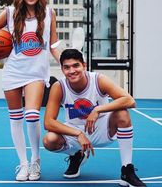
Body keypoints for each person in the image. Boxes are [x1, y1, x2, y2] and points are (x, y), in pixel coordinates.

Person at [0, 0, 60, 181]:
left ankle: (35, 160)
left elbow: (53, 45)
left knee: (32, 115)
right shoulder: (9, 13)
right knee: (15, 118)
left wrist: (66, 62)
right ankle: (23, 164)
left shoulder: (49, 13)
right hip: (14, 71)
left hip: (36, 73)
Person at [43, 49, 146, 187]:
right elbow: (48, 122)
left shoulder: (98, 80)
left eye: (76, 65)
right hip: (75, 131)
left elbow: (129, 100)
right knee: (49, 140)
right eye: (67, 67)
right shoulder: (59, 87)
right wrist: (78, 133)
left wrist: (97, 109)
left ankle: (127, 170)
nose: (72, 71)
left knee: (122, 113)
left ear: (84, 65)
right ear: (62, 69)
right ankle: (76, 155)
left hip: (102, 128)